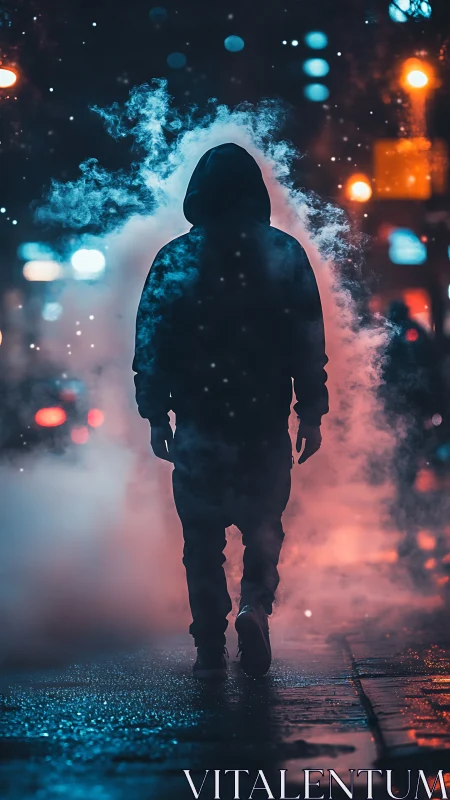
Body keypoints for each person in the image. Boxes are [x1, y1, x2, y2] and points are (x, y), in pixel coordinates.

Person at [133, 143, 328, 679]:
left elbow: (151, 339)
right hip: (263, 420)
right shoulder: (284, 253)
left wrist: (155, 414)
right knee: (264, 523)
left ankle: (209, 647)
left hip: (199, 420)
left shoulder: (175, 258)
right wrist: (310, 410)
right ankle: (255, 608)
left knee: (201, 539)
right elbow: (308, 339)